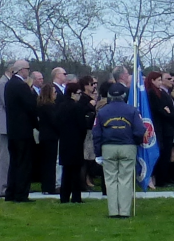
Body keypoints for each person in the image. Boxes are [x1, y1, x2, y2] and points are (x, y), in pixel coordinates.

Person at [93, 83, 145, 218]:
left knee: (110, 180)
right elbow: (140, 130)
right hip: (128, 146)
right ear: (124, 96)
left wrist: (98, 153)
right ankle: (124, 211)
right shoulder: (132, 110)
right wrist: (136, 142)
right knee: (125, 179)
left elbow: (97, 133)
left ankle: (113, 211)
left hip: (108, 147)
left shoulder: (102, 111)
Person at [4, 59, 38, 202]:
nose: (28, 72)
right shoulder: (21, 86)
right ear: (21, 70)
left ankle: (10, 192)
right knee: (24, 164)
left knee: (14, 163)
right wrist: (36, 123)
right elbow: (31, 106)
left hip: (12, 129)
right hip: (24, 131)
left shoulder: (8, 85)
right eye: (28, 69)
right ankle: (21, 194)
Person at [57, 82, 88, 204]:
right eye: (79, 93)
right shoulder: (77, 107)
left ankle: (64, 197)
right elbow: (82, 126)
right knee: (75, 171)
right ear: (72, 94)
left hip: (64, 141)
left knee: (66, 170)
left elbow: (57, 123)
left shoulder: (60, 106)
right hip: (76, 141)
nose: (80, 96)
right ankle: (76, 197)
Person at [146, 71, 174, 187]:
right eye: (158, 80)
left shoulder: (161, 92)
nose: (160, 82)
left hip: (166, 127)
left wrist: (169, 112)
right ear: (152, 81)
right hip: (160, 127)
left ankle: (163, 178)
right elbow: (159, 109)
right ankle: (159, 179)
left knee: (167, 154)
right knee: (162, 154)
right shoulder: (151, 93)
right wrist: (168, 113)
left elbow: (168, 108)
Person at [37, 83, 60, 194]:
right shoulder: (49, 107)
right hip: (51, 137)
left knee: (46, 162)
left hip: (44, 136)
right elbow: (55, 121)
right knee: (50, 163)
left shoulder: (41, 105)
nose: (56, 94)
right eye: (54, 92)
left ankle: (45, 186)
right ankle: (49, 187)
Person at [0, 65, 12, 198]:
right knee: (3, 158)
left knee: (7, 157)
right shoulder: (3, 83)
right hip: (4, 125)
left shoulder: (6, 82)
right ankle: (1, 188)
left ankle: (6, 186)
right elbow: (7, 103)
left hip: (7, 124)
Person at [79, 75, 98, 190]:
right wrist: (90, 105)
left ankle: (88, 179)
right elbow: (81, 112)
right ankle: (83, 181)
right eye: (91, 84)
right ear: (86, 86)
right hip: (86, 130)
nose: (94, 87)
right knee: (85, 158)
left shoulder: (91, 97)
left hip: (91, 129)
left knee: (90, 157)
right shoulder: (83, 98)